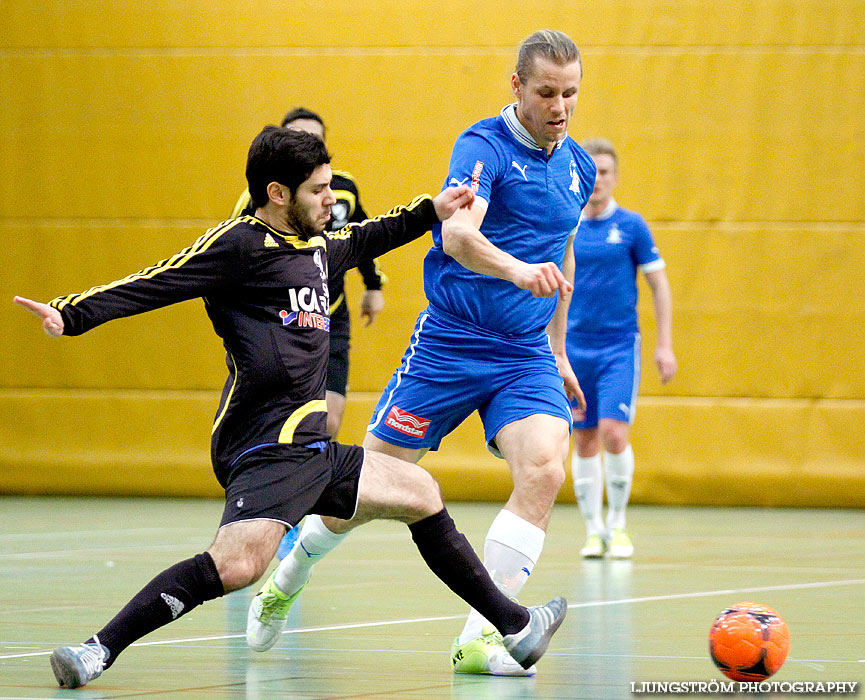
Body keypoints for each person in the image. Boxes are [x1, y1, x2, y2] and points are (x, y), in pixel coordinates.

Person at [14, 126, 567, 689]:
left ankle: (516, 625)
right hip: (262, 445)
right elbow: (157, 282)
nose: (332, 199)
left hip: (311, 447)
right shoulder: (239, 246)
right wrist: (71, 314)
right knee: (237, 566)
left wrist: (434, 207)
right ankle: (95, 651)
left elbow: (375, 234)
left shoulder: (320, 247)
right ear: (278, 194)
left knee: (419, 493)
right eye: (318, 191)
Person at [248, 30, 594, 677]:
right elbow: (459, 234)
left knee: (545, 470)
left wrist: (558, 347)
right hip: (450, 345)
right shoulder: (482, 147)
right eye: (546, 92)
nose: (559, 106)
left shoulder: (575, 165)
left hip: (523, 353)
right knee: (367, 492)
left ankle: (480, 636)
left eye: (570, 93)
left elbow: (562, 253)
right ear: (516, 87)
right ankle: (287, 578)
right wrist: (517, 271)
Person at [231, 107, 385, 440]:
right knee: (282, 418)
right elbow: (236, 254)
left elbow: (361, 236)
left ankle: (313, 483)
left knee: (327, 421)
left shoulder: (342, 190)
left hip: (330, 314)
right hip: (281, 319)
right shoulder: (256, 200)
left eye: (314, 139)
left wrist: (373, 286)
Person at [567, 138, 677, 559]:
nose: (598, 181)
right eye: (591, 172)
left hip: (617, 347)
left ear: (615, 177)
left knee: (614, 434)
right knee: (585, 440)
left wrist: (664, 344)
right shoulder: (568, 225)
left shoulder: (631, 226)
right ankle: (593, 530)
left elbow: (659, 285)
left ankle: (618, 525)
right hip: (574, 347)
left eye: (606, 172)